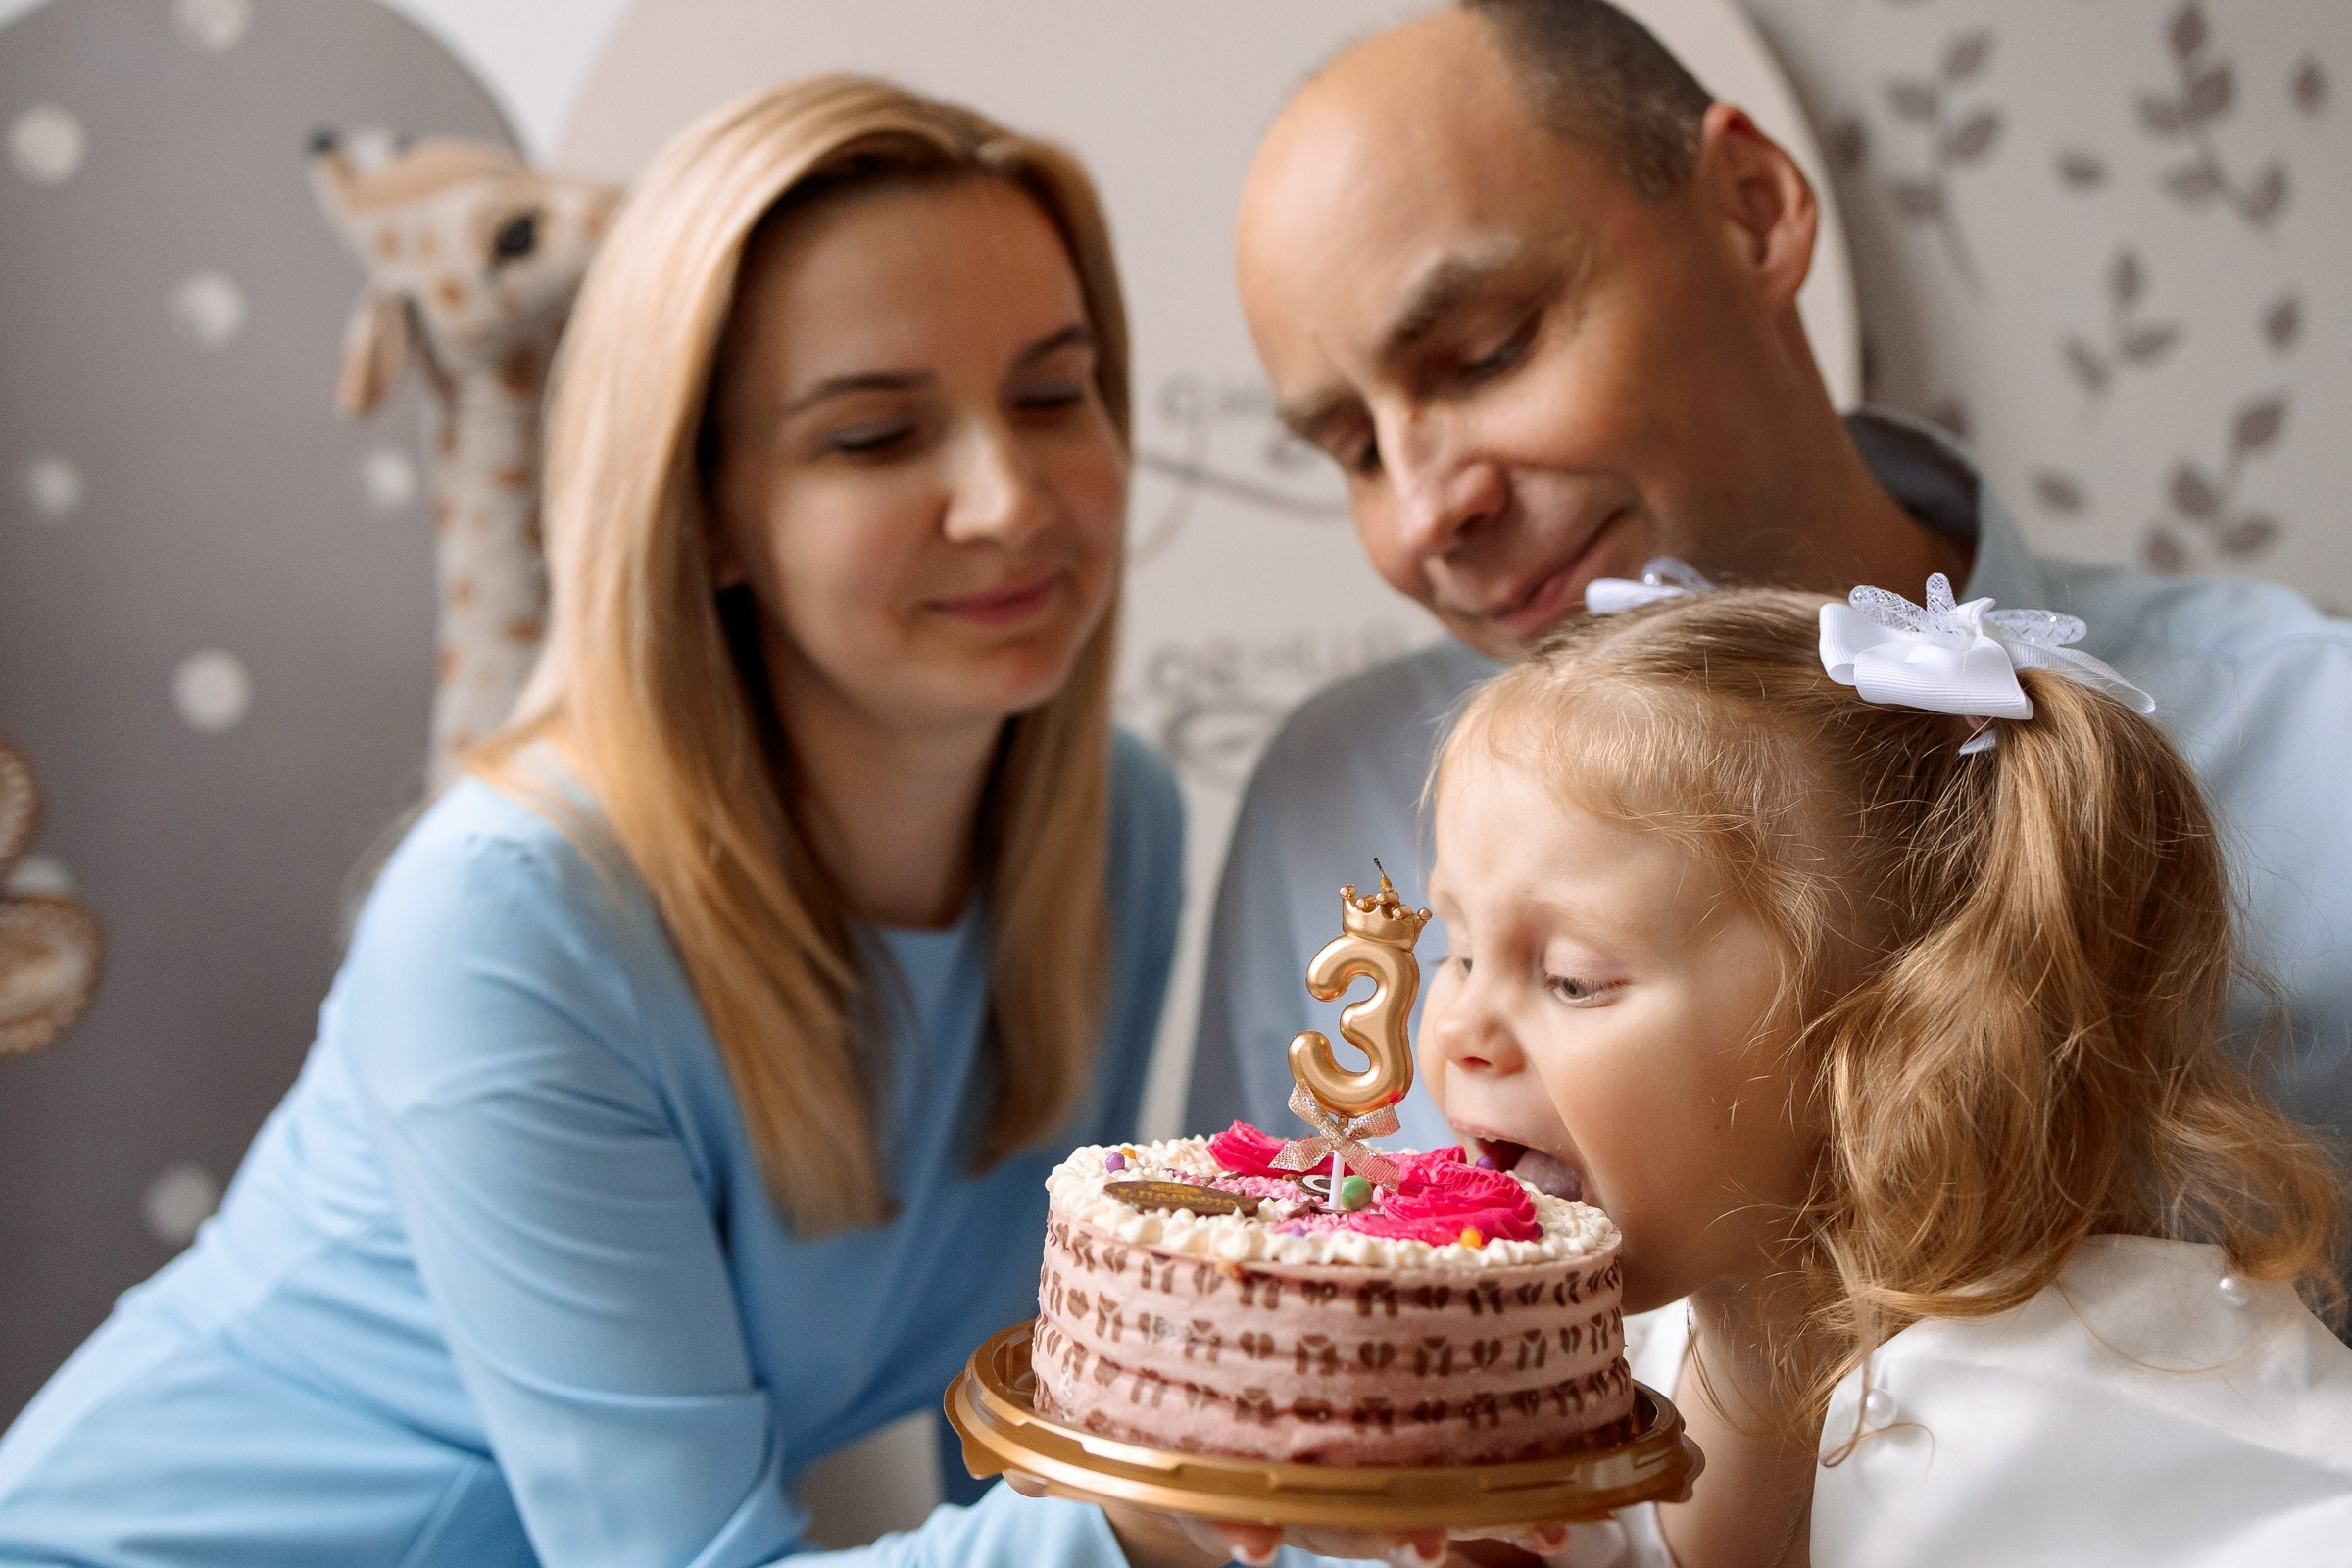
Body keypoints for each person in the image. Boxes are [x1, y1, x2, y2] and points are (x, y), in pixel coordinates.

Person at [0, 76, 1189, 1567]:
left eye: (1051, 393)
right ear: (701, 509)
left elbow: (1010, 1438)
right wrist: (1175, 1518)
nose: (1010, 498)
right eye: (876, 436)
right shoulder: (512, 913)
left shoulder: (1108, 832)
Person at [1187, 0, 2352, 1216]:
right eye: (1355, 450)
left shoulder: (2323, 762)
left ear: (1752, 207)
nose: (1425, 512)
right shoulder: (1329, 816)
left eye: (1487, 352)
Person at [1418, 580, 2352, 1566]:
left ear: (1889, 1028)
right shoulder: (1607, 1377)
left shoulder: (2073, 1409)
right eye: (1460, 949)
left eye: (1573, 979)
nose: (1464, 1030)